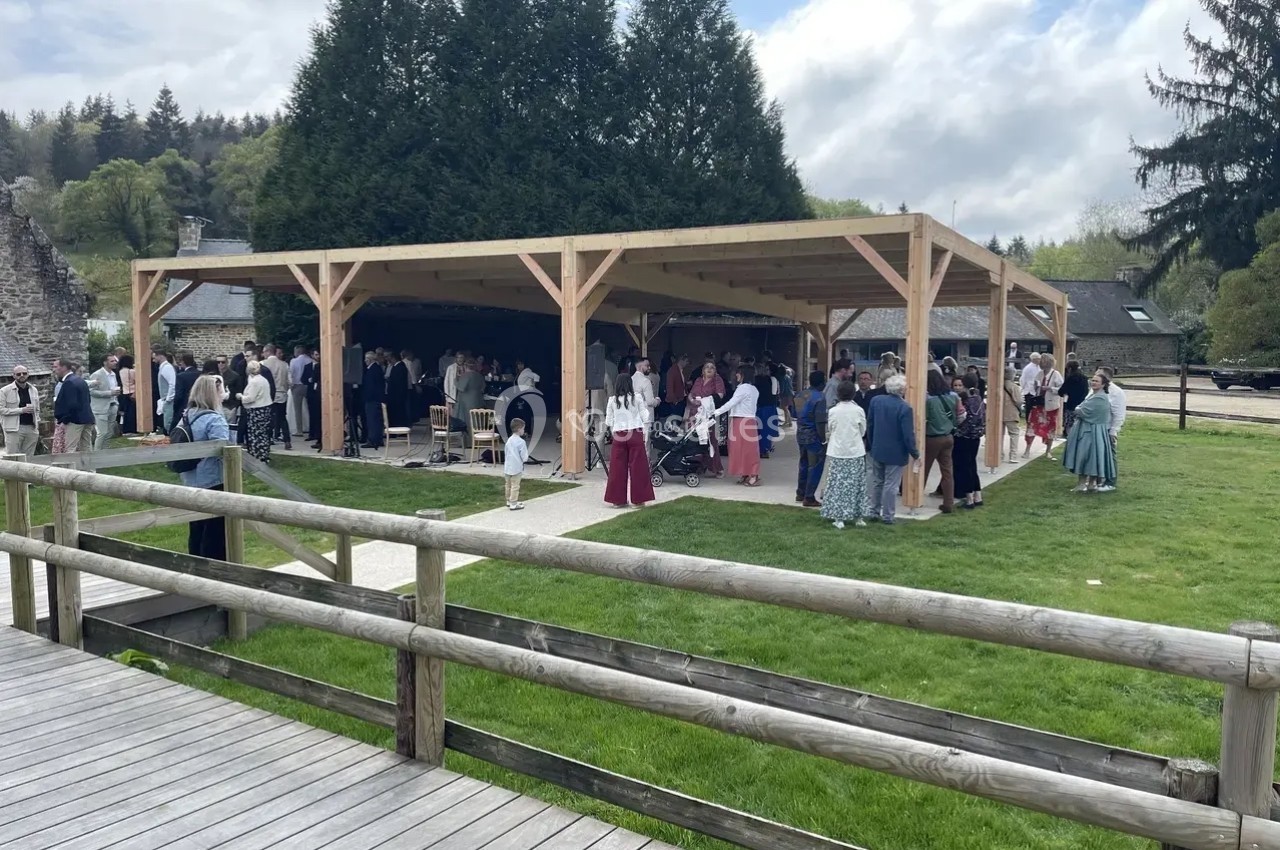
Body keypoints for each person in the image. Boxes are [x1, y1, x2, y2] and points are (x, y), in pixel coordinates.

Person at [179, 375, 230, 560]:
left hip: (190, 478)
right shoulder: (214, 420)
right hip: (212, 478)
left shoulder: (186, 415)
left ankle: (195, 563)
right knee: (214, 529)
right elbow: (226, 449)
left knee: (196, 526)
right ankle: (214, 568)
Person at [866, 375, 919, 525]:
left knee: (877, 481)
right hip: (896, 452)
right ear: (902, 390)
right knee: (891, 484)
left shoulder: (876, 401)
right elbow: (908, 435)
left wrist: (871, 442)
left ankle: (874, 511)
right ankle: (888, 516)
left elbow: (870, 424)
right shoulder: (905, 407)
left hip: (877, 447)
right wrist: (915, 453)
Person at [821, 381, 870, 529]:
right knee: (858, 484)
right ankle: (859, 517)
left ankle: (839, 517)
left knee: (837, 485)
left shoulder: (833, 411)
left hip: (838, 451)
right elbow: (863, 431)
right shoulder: (859, 410)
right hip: (855, 451)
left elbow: (831, 428)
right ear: (853, 394)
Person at [603, 374, 654, 508]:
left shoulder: (612, 400)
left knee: (617, 468)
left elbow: (608, 421)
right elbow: (646, 416)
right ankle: (639, 500)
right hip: (635, 433)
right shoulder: (637, 398)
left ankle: (617, 500)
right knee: (638, 468)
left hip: (619, 435)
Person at [1062, 372, 1117, 493]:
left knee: (1086, 456)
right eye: (1093, 380)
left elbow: (1081, 411)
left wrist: (1078, 409)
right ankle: (1090, 484)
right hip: (1092, 430)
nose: (1093, 383)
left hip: (1091, 431)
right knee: (1091, 456)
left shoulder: (1100, 398)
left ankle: (1085, 483)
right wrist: (1079, 408)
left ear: (1103, 384)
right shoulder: (1094, 395)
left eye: (1097, 381)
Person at [714, 366, 761, 487]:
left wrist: (716, 412)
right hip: (748, 420)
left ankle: (753, 474)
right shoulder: (754, 389)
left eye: (739, 373)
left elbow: (731, 403)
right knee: (745, 449)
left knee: (744, 450)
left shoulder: (743, 388)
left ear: (743, 374)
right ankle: (746, 472)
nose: (737, 376)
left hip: (741, 421)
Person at [923, 369, 958, 514]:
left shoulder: (927, 399)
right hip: (949, 436)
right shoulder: (953, 396)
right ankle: (948, 502)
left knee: (923, 469)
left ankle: (916, 499)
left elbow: (923, 418)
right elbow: (960, 415)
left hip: (932, 437)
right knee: (947, 471)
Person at [686, 361, 726, 477]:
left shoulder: (717, 380)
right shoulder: (698, 380)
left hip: (707, 414)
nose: (709, 369)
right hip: (694, 413)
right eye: (707, 367)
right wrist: (693, 400)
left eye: (712, 368)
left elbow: (720, 395)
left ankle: (716, 467)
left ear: (715, 371)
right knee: (694, 439)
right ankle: (697, 465)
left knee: (710, 440)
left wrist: (704, 401)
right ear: (703, 370)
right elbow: (691, 394)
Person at [794, 371, 827, 508]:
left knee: (803, 463)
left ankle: (800, 492)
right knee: (815, 466)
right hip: (813, 435)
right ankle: (809, 497)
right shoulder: (820, 398)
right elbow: (820, 422)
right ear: (821, 383)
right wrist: (823, 439)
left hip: (800, 433)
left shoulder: (801, 394)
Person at [954, 373, 987, 508]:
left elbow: (963, 419)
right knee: (972, 466)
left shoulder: (966, 400)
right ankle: (978, 495)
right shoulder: (979, 398)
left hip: (965, 437)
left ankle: (969, 498)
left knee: (965, 467)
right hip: (976, 436)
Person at [1025, 353, 1063, 460]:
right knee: (1031, 426)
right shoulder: (1039, 374)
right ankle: (1027, 449)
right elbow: (1034, 387)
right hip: (1038, 404)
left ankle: (1048, 451)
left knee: (1050, 428)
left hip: (1050, 405)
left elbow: (1061, 389)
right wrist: (1037, 387)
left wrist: (1050, 388)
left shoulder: (1056, 374)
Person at [53, 358, 94, 453]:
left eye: (56, 367)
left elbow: (71, 404)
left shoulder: (69, 382)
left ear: (63, 367)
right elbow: (88, 399)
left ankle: (71, 467)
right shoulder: (80, 380)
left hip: (75, 420)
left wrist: (65, 419)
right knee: (86, 447)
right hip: (87, 418)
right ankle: (89, 468)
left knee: (70, 448)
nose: (54, 369)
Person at [238, 360, 274, 463]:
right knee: (263, 433)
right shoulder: (263, 379)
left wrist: (241, 396)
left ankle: (257, 456)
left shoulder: (254, 382)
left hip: (257, 410)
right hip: (265, 408)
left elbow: (250, 398)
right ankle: (264, 454)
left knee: (255, 433)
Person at [0, 365, 40, 457]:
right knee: (13, 457)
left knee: (29, 458)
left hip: (31, 428)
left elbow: (37, 409)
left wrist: (37, 421)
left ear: (28, 374)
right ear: (13, 375)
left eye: (24, 373)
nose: (22, 375)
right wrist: (21, 410)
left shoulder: (33, 390)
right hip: (14, 429)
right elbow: (1, 410)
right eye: (18, 374)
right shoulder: (4, 391)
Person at [1097, 366, 1126, 492]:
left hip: (1107, 428)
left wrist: (1114, 430)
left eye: (1099, 375)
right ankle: (1097, 479)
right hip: (1095, 427)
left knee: (1109, 455)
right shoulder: (1096, 390)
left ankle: (1110, 481)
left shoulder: (1116, 392)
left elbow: (1119, 413)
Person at [88, 354, 121, 451]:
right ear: (105, 363)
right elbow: (91, 391)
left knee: (109, 433)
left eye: (115, 361)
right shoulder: (97, 374)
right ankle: (97, 455)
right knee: (102, 433)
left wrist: (115, 395)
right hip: (100, 408)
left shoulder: (113, 374)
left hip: (113, 405)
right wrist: (109, 393)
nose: (115, 363)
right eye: (112, 361)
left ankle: (106, 454)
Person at [262, 345, 292, 450]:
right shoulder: (284, 364)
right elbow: (290, 381)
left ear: (268, 352)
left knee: (268, 418)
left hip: (268, 395)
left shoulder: (263, 364)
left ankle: (268, 439)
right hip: (282, 394)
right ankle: (287, 440)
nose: (263, 354)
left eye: (264, 352)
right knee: (282, 418)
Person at [753, 361, 780, 459]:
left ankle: (763, 449)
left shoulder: (765, 380)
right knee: (764, 429)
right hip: (766, 406)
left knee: (762, 429)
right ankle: (764, 449)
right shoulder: (769, 380)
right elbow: (774, 394)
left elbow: (773, 394)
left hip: (764, 407)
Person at [503, 417, 530, 511]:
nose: (524, 431)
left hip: (507, 467)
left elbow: (506, 453)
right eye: (523, 429)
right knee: (515, 485)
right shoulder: (521, 442)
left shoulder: (508, 441)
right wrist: (524, 459)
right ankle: (513, 503)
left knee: (508, 484)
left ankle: (508, 500)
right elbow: (524, 456)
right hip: (516, 468)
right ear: (519, 429)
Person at [361, 350, 386, 449]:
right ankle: (377, 439)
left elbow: (371, 386)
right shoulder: (376, 368)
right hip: (375, 398)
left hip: (373, 399)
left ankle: (373, 440)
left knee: (373, 420)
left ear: (370, 359)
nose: (365, 361)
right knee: (376, 420)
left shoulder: (373, 369)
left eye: (366, 359)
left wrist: (366, 397)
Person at [1058, 360, 1090, 436]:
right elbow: (1086, 391)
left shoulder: (1070, 378)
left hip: (1071, 403)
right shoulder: (1084, 378)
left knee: (1069, 422)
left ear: (1069, 369)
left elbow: (1061, 391)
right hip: (1081, 403)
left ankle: (1068, 434)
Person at [289, 345, 313, 436]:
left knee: (297, 409)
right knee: (311, 408)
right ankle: (311, 428)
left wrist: (291, 385)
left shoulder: (294, 361)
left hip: (297, 386)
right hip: (308, 386)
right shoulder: (310, 360)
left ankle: (299, 430)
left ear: (297, 352)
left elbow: (291, 373)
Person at [1001, 366, 1023, 463]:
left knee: (999, 435)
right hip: (1011, 413)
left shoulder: (998, 385)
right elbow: (1018, 401)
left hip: (999, 413)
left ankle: (999, 454)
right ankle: (1013, 456)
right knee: (1014, 434)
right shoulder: (1014, 387)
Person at [154, 348, 177, 434]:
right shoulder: (163, 367)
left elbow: (172, 384)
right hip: (165, 399)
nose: (154, 359)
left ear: (160, 356)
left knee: (168, 421)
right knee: (166, 420)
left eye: (155, 356)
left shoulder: (167, 367)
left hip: (168, 400)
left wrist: (168, 399)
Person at [386, 350, 411, 429]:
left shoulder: (400, 367)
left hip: (397, 395)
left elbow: (398, 382)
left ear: (393, 357)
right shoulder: (395, 367)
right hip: (394, 395)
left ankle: (400, 428)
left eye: (388, 357)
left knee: (399, 413)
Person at [305, 350, 323, 449]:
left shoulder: (318, 366)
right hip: (313, 393)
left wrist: (313, 379)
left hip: (319, 393)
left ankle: (320, 438)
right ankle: (313, 434)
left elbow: (315, 378)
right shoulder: (309, 366)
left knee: (320, 416)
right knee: (314, 415)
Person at [663, 355, 689, 421]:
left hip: (681, 399)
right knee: (676, 420)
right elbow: (669, 386)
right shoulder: (672, 371)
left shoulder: (680, 371)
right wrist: (674, 400)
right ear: (681, 361)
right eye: (686, 361)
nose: (687, 363)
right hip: (676, 400)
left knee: (679, 419)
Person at [1019, 351, 1043, 423]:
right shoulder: (1028, 368)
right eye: (1038, 359)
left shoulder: (1038, 367)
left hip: (1036, 389)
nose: (1039, 360)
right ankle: (1028, 420)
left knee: (1035, 407)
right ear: (1034, 359)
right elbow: (1023, 379)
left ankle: (1034, 420)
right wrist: (1024, 388)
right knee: (1029, 407)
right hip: (1029, 390)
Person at [118, 354, 137, 436]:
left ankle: (126, 429)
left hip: (125, 392)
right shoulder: (132, 371)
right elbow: (137, 381)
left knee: (127, 412)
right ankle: (132, 429)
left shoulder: (121, 371)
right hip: (132, 392)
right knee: (132, 412)